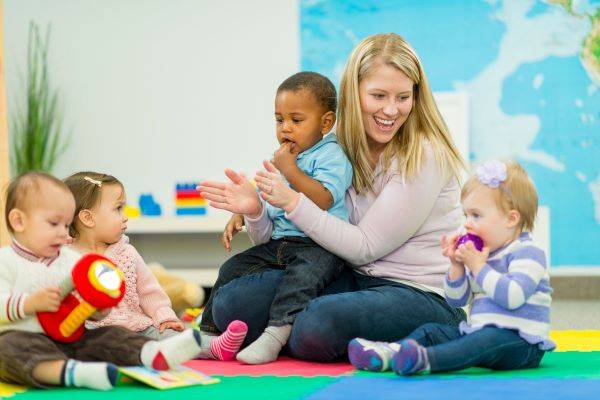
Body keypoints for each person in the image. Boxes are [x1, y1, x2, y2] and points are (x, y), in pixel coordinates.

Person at [198, 32, 466, 362]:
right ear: (354, 95)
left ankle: (437, 331)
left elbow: (365, 246)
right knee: (231, 305)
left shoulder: (424, 155)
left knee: (317, 325)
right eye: (378, 95)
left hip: (416, 291)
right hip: (351, 277)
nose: (391, 110)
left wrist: (293, 201)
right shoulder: (333, 146)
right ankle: (292, 334)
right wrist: (255, 209)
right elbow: (281, 232)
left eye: (403, 97)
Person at [0, 172, 219, 390]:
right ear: (19, 221)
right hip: (29, 339)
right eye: (54, 224)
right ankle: (72, 373)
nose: (63, 233)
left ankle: (150, 353)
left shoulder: (70, 260)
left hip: (73, 338)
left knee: (111, 334)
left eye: (66, 226)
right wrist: (29, 304)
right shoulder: (6, 261)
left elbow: (82, 305)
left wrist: (97, 309)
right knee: (7, 348)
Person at [198, 72, 353, 364]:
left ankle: (275, 334)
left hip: (318, 247)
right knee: (233, 267)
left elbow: (323, 199)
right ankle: (208, 334)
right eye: (279, 120)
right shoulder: (285, 158)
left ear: (326, 122)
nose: (285, 129)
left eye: (296, 120)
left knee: (300, 280)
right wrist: (245, 211)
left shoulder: (331, 155)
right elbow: (271, 202)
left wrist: (290, 170)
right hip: (281, 243)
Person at [349, 160, 554, 375]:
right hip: (478, 333)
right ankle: (390, 353)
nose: (467, 223)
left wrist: (478, 267)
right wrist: (456, 266)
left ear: (511, 219)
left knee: (486, 339)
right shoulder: (482, 255)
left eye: (476, 215)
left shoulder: (528, 253)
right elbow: (457, 301)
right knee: (432, 331)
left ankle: (426, 360)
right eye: (466, 215)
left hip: (521, 342)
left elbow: (513, 296)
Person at [64, 171, 247, 358]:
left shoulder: (126, 253)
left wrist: (164, 316)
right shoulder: (64, 258)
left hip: (137, 328)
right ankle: (147, 356)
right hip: (91, 333)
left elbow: (149, 292)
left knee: (171, 336)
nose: (125, 217)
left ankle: (214, 346)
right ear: (88, 218)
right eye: (118, 209)